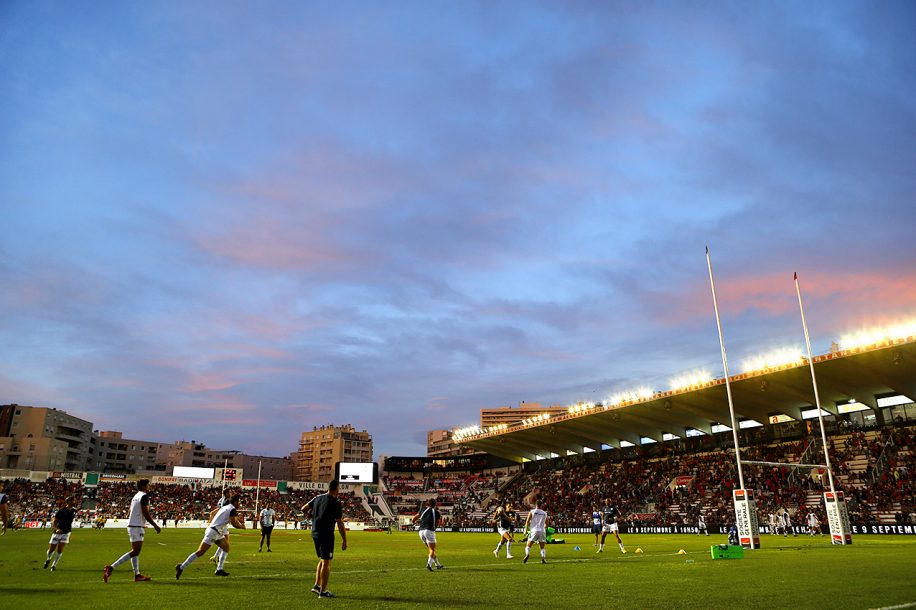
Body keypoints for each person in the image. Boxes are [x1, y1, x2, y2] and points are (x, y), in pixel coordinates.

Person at [175, 493, 246, 579]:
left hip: (215, 531)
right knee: (200, 552)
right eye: (239, 502)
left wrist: (239, 521)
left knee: (226, 547)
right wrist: (241, 526)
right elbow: (234, 523)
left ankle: (219, 569)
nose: (240, 504)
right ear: (235, 502)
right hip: (214, 532)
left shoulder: (226, 507)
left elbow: (233, 519)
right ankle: (181, 567)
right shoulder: (232, 509)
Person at [103, 479, 161, 583]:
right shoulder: (144, 496)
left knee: (136, 552)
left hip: (134, 525)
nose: (149, 487)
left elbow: (132, 511)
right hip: (136, 526)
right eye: (148, 485)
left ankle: (137, 575)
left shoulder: (136, 496)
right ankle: (111, 567)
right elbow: (145, 513)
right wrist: (155, 525)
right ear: (144, 487)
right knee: (135, 551)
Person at [303, 480, 348, 598]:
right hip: (326, 534)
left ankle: (317, 585)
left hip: (315, 533)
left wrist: (310, 515)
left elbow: (303, 508)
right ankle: (323, 592)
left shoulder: (317, 497)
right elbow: (340, 523)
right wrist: (344, 540)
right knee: (327, 562)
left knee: (322, 560)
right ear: (337, 488)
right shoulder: (335, 502)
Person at [44, 495, 77, 571]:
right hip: (57, 532)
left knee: (60, 549)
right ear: (68, 502)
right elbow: (54, 522)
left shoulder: (74, 511)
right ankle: (48, 559)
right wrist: (57, 529)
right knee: (51, 550)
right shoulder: (61, 511)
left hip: (66, 533)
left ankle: (54, 565)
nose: (74, 502)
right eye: (73, 500)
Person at [413, 498, 445, 571]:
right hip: (429, 531)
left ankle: (437, 564)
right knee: (432, 550)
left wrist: (415, 523)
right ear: (435, 504)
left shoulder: (423, 510)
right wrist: (434, 529)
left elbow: (414, 519)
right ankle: (429, 564)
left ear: (428, 503)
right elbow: (437, 523)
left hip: (421, 532)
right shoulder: (436, 512)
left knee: (431, 549)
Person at [210, 488, 233, 565]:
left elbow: (219, 508)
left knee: (225, 541)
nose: (231, 493)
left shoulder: (221, 500)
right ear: (226, 493)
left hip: (221, 521)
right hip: (223, 522)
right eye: (229, 492)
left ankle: (216, 557)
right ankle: (217, 557)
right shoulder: (227, 501)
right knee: (225, 542)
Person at [522, 497, 548, 564]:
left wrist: (525, 530)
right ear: (541, 505)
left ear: (535, 504)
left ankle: (527, 554)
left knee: (528, 546)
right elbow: (547, 524)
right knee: (542, 547)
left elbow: (527, 521)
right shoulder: (545, 513)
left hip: (533, 530)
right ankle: (543, 558)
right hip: (542, 531)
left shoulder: (532, 511)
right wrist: (544, 528)